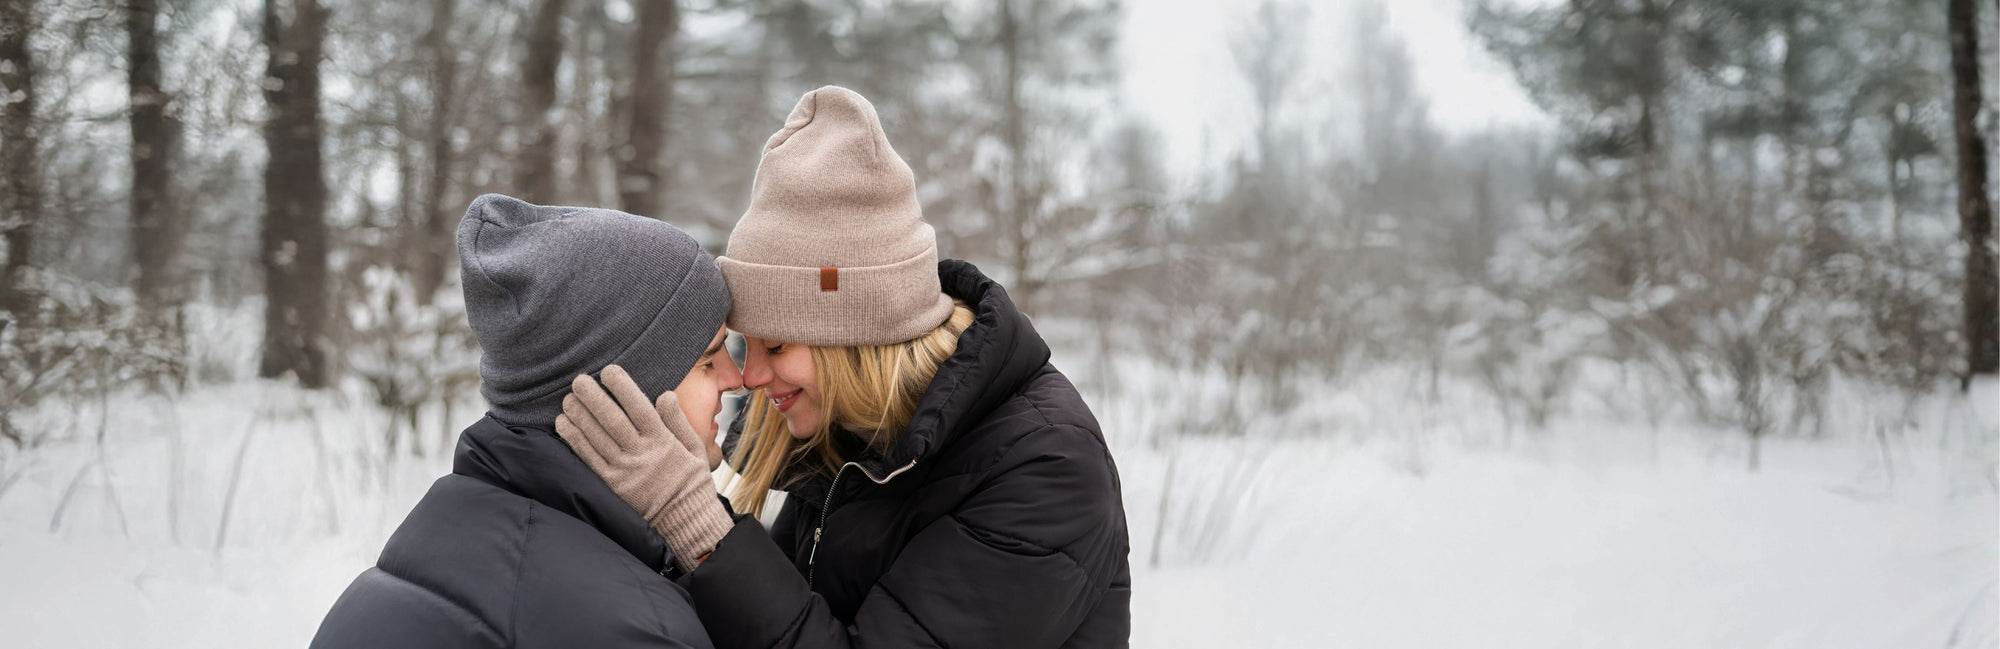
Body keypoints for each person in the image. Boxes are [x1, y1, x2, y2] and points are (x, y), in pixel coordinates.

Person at [558, 86, 1132, 648]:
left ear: (858, 340)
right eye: (744, 346)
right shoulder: (852, 434)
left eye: (777, 347)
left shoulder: (1044, 469)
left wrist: (694, 521)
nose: (750, 376)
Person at [310, 194, 739, 649]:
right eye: (709, 360)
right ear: (618, 396)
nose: (738, 379)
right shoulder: (634, 628)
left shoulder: (429, 545)